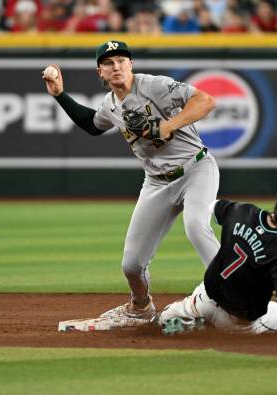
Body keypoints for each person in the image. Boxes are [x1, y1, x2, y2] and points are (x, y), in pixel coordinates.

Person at [43, 40, 220, 328]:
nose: (116, 66)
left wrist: (169, 124)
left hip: (196, 168)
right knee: (132, 265)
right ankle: (140, 307)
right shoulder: (110, 105)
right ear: (100, 72)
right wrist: (60, 95)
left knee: (196, 226)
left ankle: (235, 292)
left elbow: (206, 100)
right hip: (156, 183)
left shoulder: (154, 86)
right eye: (109, 63)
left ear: (131, 65)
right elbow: (92, 124)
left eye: (122, 60)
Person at [157, 179, 277, 337]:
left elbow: (212, 206)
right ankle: (204, 328)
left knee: (161, 324)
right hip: (234, 323)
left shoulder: (242, 211)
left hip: (203, 300)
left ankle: (184, 320)